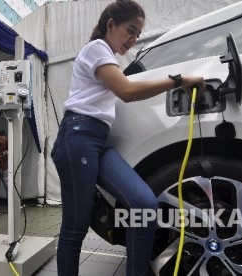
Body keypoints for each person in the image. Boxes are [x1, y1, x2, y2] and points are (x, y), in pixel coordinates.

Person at [50, 1, 206, 275]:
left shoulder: (109, 59)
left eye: (137, 34)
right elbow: (127, 91)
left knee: (144, 203)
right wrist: (179, 80)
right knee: (76, 225)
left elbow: (123, 89)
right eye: (129, 31)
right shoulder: (96, 48)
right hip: (78, 135)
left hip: (100, 139)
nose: (132, 40)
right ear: (110, 24)